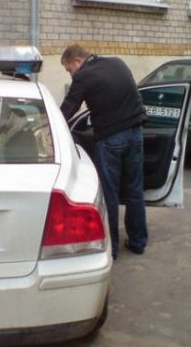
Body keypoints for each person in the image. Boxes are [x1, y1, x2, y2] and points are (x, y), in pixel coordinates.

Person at [60, 44, 148, 259]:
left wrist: (52, 127)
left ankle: (112, 248)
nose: (71, 75)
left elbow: (69, 107)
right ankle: (138, 242)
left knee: (109, 194)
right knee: (135, 191)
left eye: (69, 69)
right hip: (136, 134)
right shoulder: (118, 63)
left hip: (111, 139)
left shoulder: (83, 76)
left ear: (77, 61)